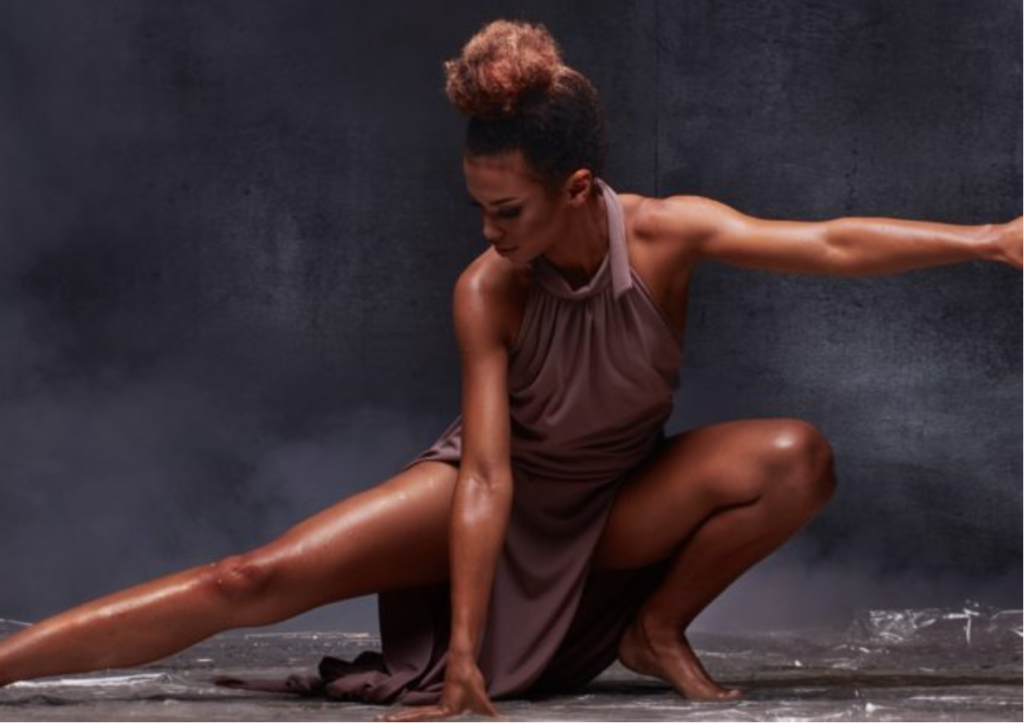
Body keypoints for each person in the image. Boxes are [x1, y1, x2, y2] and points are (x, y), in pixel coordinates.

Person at [0, 18, 1019, 722]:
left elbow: (832, 243)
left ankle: (653, 629)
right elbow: (487, 475)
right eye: (477, 205)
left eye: (508, 211)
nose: (487, 230)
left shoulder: (664, 235)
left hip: (616, 498)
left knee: (796, 455)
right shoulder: (488, 287)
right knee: (250, 577)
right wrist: (465, 658)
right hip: (492, 491)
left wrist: (990, 240)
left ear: (578, 188)